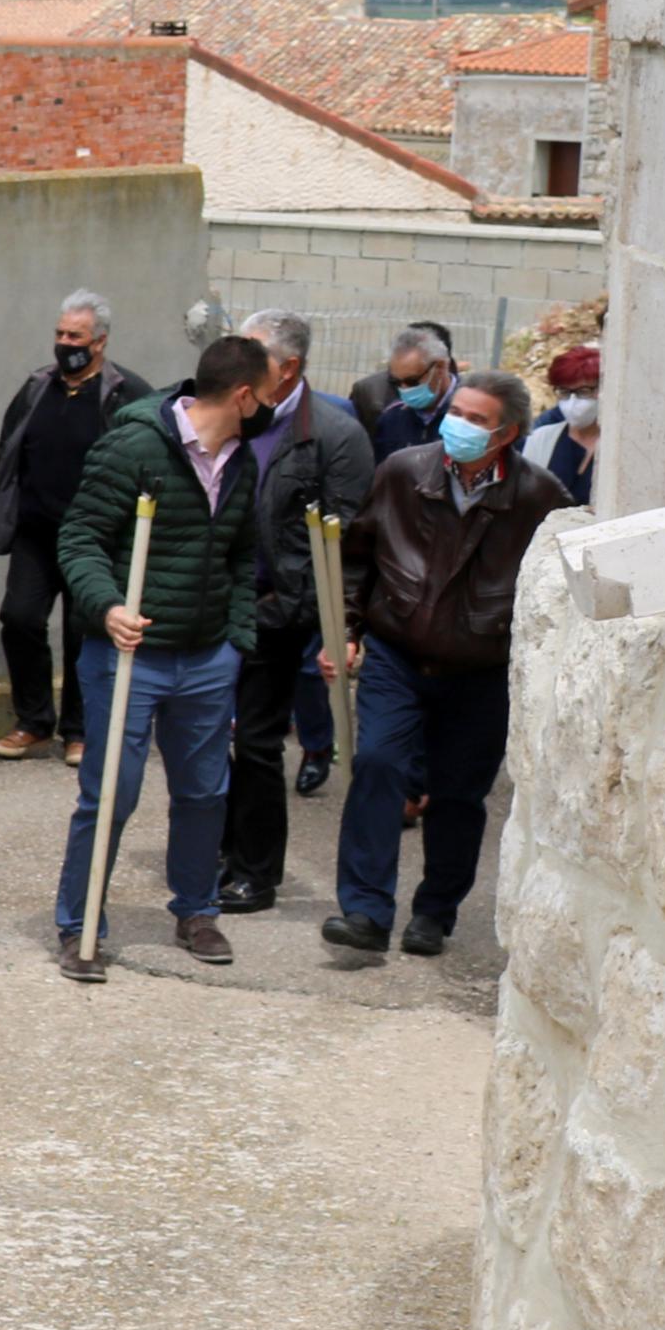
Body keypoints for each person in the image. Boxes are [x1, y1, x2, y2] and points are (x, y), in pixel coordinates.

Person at [324, 371, 570, 959]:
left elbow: (553, 592)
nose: (457, 424)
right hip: (397, 652)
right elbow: (357, 557)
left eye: (476, 419)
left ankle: (435, 912)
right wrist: (346, 631)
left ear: (507, 433)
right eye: (455, 411)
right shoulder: (404, 472)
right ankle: (364, 911)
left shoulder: (540, 498)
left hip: (481, 670)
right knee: (378, 764)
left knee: (459, 796)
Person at [47, 334, 269, 974]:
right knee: (111, 792)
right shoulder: (135, 444)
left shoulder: (241, 458)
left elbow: (241, 553)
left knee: (204, 793)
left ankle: (197, 909)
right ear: (245, 395)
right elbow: (80, 538)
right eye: (269, 393)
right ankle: (78, 922)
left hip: (206, 656)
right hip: (129, 652)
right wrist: (108, 607)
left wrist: (236, 640)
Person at [216, 310, 372, 915]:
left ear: (290, 369)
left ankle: (255, 869)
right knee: (204, 736)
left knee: (256, 740)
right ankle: (213, 847)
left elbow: (349, 543)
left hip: (276, 614)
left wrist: (326, 621)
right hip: (215, 603)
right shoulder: (228, 413)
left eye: (254, 358)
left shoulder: (335, 435)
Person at [0, 291, 148, 760]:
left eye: (75, 335)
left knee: (83, 629)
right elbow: (8, 447)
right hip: (36, 532)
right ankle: (32, 721)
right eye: (59, 333)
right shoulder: (37, 387)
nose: (64, 342)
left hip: (95, 538)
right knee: (20, 618)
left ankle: (80, 729)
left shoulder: (126, 393)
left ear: (100, 342)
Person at [352, 323, 461, 463]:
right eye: (396, 382)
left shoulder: (468, 414)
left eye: (412, 381)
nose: (404, 389)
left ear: (440, 367)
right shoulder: (391, 418)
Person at [524, 345, 600, 507]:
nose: (572, 402)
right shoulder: (541, 438)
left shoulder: (618, 445)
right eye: (564, 392)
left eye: (584, 391)